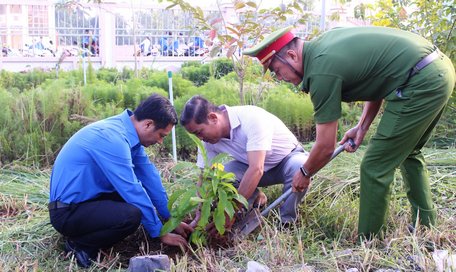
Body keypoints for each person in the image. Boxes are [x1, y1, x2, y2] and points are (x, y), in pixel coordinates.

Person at [243, 26, 455, 240]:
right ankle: (426, 225)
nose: (279, 78)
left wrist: (305, 172)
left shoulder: (321, 72)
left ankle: (369, 241)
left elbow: (325, 146)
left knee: (374, 166)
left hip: (420, 80)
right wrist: (361, 127)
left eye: (277, 70)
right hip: (438, 68)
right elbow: (378, 79)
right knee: (410, 152)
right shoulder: (323, 47)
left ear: (291, 55)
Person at [49, 94, 193, 268]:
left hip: (87, 202)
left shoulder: (128, 136)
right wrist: (159, 232)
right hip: (67, 212)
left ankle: (88, 232)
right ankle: (80, 245)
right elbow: (131, 190)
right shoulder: (112, 138)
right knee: (131, 215)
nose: (160, 142)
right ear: (148, 124)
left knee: (139, 199)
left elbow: (150, 179)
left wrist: (172, 220)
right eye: (161, 135)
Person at [180, 95, 309, 232]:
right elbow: (204, 177)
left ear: (213, 118)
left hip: (285, 160)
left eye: (199, 132)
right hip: (251, 167)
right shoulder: (208, 141)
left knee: (301, 168)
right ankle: (255, 200)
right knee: (216, 177)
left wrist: (231, 214)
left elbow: (256, 169)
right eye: (196, 136)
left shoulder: (251, 118)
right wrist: (199, 216)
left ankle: (286, 222)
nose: (200, 138)